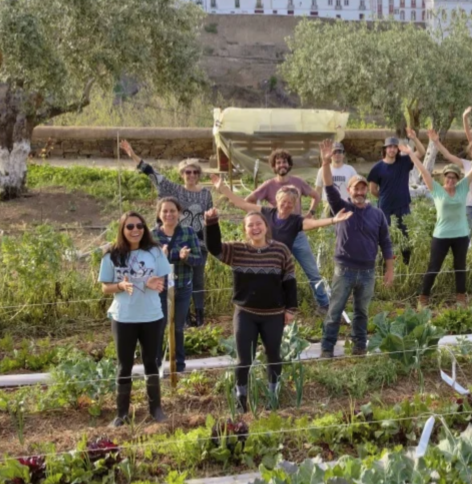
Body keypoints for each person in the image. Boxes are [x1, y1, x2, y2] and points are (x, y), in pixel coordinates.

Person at [212, 174, 353, 310]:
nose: (286, 205)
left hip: (281, 259)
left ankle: (322, 305)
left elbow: (313, 223)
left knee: (300, 278)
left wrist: (334, 220)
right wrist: (223, 188)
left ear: (294, 204)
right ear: (277, 200)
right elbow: (242, 203)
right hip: (265, 257)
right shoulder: (266, 212)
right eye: (283, 202)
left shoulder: (295, 221)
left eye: (290, 203)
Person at [204, 206, 297, 412]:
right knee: (244, 359)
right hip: (245, 314)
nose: (255, 228)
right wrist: (212, 223)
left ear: (266, 227)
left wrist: (291, 308)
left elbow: (289, 280)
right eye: (250, 225)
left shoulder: (280, 250)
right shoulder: (237, 250)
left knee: (273, 355)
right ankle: (241, 398)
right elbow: (214, 248)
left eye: (258, 224)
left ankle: (273, 395)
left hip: (273, 314)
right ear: (245, 230)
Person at [120, 140, 213, 326]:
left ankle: (200, 316)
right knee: (175, 280)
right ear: (182, 174)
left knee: (198, 281)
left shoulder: (206, 194)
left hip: (199, 243)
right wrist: (132, 154)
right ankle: (183, 316)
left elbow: (209, 220)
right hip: (175, 242)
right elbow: (152, 174)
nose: (192, 175)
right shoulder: (174, 189)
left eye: (195, 172)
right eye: (188, 172)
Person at [317, 139, 395, 359]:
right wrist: (325, 163)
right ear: (349, 191)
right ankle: (327, 348)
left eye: (363, 188)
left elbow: (386, 243)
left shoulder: (377, 214)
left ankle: (359, 347)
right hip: (345, 270)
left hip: (368, 272)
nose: (360, 192)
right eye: (356, 188)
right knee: (334, 311)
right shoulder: (342, 207)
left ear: (366, 191)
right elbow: (329, 188)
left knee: (361, 312)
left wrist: (389, 269)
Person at [99, 211, 171, 427]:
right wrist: (120, 286)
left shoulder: (155, 252)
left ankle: (156, 409)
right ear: (122, 229)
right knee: (124, 365)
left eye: (139, 226)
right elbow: (105, 287)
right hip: (124, 317)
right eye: (130, 227)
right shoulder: (111, 254)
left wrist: (153, 283)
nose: (135, 230)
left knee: (152, 362)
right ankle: (121, 414)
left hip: (151, 316)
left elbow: (161, 282)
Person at [244, 149, 329, 314]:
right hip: (278, 236)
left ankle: (324, 304)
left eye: (284, 162)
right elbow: (249, 201)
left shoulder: (298, 182)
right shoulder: (269, 185)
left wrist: (310, 213)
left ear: (289, 164)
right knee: (277, 272)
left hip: (298, 235)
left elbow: (316, 196)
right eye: (278, 163)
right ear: (274, 166)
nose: (281, 165)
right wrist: (266, 217)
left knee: (312, 270)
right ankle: (277, 306)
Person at [407, 138, 472, 308]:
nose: (450, 180)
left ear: (458, 178)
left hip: (461, 235)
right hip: (441, 235)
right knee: (434, 266)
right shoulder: (436, 190)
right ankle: (423, 297)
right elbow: (423, 171)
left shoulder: (463, 187)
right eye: (448, 177)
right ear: (444, 178)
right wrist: (410, 153)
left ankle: (460, 297)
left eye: (453, 177)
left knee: (460, 267)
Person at [151, 197, 203, 375]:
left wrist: (185, 258)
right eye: (165, 211)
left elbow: (198, 260)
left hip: (182, 287)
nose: (169, 214)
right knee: (159, 325)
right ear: (159, 214)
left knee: (178, 327)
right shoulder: (153, 235)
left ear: (179, 213)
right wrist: (166, 257)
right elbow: (147, 264)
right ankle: (157, 366)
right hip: (160, 288)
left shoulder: (188, 232)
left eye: (172, 211)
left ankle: (179, 366)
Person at [368, 128, 425, 266]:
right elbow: (373, 190)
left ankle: (407, 267)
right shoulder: (377, 168)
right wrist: (385, 198)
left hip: (403, 207)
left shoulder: (404, 162)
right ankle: (384, 269)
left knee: (405, 238)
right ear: (385, 149)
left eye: (395, 147)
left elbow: (422, 152)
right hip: (385, 209)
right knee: (385, 239)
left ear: (398, 149)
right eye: (389, 147)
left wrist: (414, 138)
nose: (392, 150)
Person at [313, 142, 358, 215]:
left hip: (346, 204)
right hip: (328, 205)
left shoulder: (350, 170)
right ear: (330, 155)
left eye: (339, 152)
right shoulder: (323, 170)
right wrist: (313, 210)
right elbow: (318, 190)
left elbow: (357, 188)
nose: (337, 154)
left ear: (343, 154)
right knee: (329, 226)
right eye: (334, 152)